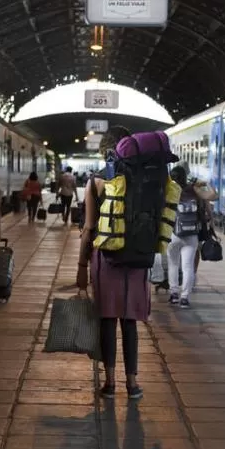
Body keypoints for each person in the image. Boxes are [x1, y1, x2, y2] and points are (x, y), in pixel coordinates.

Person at [77, 127, 152, 400]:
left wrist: (81, 266)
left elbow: (88, 228)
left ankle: (110, 383)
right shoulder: (143, 181)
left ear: (105, 152)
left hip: (105, 258)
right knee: (129, 322)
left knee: (107, 320)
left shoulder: (96, 181)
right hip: (136, 260)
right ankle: (132, 384)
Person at [166, 165, 209, 308]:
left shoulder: (169, 190)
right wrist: (201, 183)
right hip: (191, 234)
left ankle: (173, 294)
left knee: (173, 264)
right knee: (188, 266)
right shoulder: (194, 190)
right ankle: (184, 297)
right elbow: (213, 196)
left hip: (173, 233)